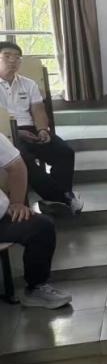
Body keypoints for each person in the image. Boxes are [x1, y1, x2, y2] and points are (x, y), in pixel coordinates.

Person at [0, 42, 80, 213]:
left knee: (65, 152)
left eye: (17, 57)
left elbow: (38, 110)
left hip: (31, 129)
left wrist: (43, 129)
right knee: (23, 160)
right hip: (5, 134)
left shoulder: (28, 84)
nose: (13, 60)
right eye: (7, 56)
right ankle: (62, 198)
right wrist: (17, 133)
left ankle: (55, 199)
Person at [0, 130, 66, 307]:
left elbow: (17, 166)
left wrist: (17, 203)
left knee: (41, 226)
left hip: (2, 217)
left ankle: (36, 287)